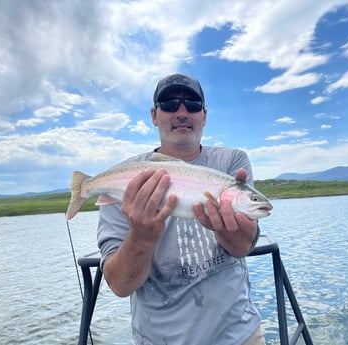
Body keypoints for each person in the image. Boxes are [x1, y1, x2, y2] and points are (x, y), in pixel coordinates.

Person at [97, 73, 265, 345]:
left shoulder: (232, 161)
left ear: (204, 116)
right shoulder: (128, 176)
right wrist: (141, 237)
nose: (182, 112)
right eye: (170, 104)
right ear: (154, 115)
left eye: (193, 105)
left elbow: (242, 246)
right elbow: (120, 285)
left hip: (240, 334)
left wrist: (231, 231)